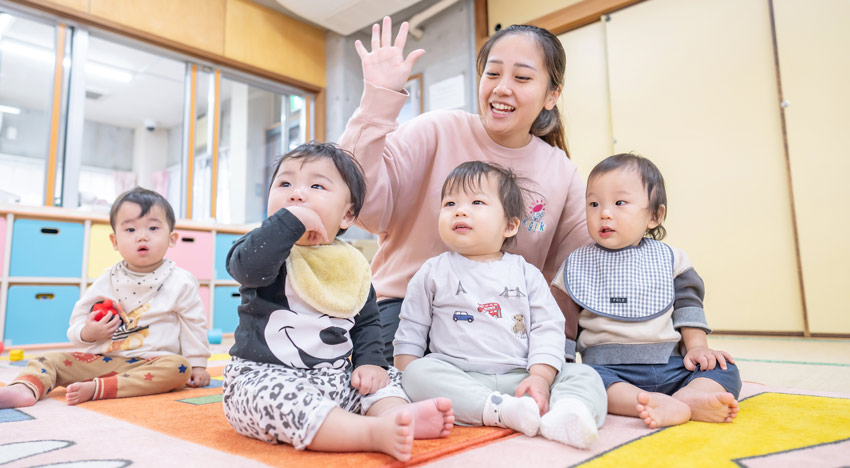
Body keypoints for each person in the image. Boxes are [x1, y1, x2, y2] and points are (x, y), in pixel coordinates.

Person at [338, 18, 591, 363]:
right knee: (395, 386)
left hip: (502, 324)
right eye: (492, 73)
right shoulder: (436, 130)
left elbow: (575, 271)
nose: (502, 88)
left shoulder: (561, 172)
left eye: (521, 78)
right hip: (404, 308)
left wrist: (560, 350)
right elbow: (356, 200)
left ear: (552, 95)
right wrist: (377, 100)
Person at [221, 142, 454, 462]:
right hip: (265, 376)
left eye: (316, 186)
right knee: (274, 399)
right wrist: (289, 223)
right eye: (285, 184)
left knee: (388, 380)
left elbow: (367, 321)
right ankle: (370, 433)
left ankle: (395, 415)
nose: (297, 194)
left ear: (347, 214)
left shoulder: (349, 265)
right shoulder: (264, 249)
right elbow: (246, 268)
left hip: (334, 379)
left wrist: (370, 363)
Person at [394, 161, 607, 449]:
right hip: (460, 376)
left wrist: (540, 378)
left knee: (584, 374)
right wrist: (406, 377)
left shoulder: (526, 273)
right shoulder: (433, 271)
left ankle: (569, 412)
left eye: (477, 202)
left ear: (510, 225)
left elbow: (548, 327)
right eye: (450, 203)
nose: (460, 210)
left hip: (521, 376)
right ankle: (500, 410)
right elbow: (412, 327)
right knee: (417, 373)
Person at [551, 153, 742, 428]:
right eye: (593, 204)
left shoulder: (672, 260)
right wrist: (563, 365)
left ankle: (690, 395)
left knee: (725, 367)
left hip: (674, 366)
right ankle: (651, 401)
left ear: (654, 216)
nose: (604, 213)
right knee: (583, 381)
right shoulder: (576, 265)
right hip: (609, 372)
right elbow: (562, 325)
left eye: (619, 203)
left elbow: (688, 305)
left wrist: (698, 348)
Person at [0, 187, 210, 409]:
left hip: (153, 363)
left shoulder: (181, 281)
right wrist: (89, 332)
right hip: (102, 361)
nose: (142, 236)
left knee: (178, 368)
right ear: (114, 241)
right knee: (49, 359)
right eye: (130, 229)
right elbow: (77, 321)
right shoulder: (107, 279)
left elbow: (193, 324)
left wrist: (198, 365)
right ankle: (25, 387)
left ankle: (100, 388)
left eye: (153, 228)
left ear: (172, 238)